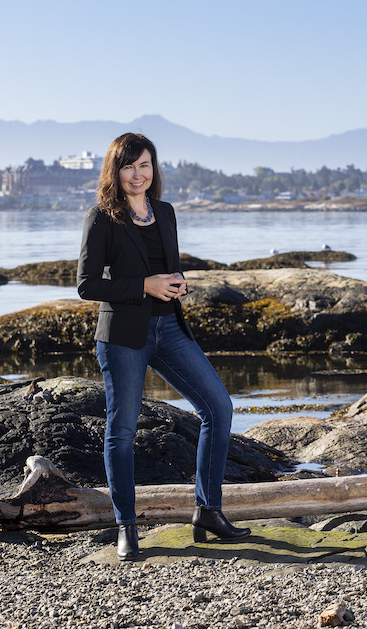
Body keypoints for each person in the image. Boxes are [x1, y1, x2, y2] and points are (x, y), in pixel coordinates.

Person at [77, 132, 250, 560]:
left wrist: (176, 283)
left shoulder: (166, 212)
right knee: (121, 431)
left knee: (218, 408)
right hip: (123, 338)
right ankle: (127, 527)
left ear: (154, 170)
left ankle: (208, 510)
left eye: (145, 166)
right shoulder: (101, 217)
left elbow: (166, 269)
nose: (138, 175)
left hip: (170, 329)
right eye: (129, 166)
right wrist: (144, 286)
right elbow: (87, 284)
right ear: (114, 171)